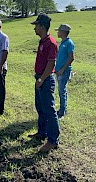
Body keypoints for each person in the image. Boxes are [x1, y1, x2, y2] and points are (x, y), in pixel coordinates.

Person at [29, 13, 60, 152]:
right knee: (40, 107)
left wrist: (41, 79)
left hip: (46, 79)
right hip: (40, 78)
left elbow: (51, 63)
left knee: (49, 110)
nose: (34, 28)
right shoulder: (42, 41)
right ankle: (42, 133)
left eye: (36, 25)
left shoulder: (51, 43)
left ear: (42, 26)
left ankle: (53, 140)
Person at [55, 24, 74, 118]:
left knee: (62, 91)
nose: (57, 32)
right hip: (59, 70)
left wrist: (62, 69)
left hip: (64, 71)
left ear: (63, 32)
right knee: (61, 91)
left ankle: (62, 111)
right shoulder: (63, 42)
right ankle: (62, 108)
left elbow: (71, 58)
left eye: (59, 31)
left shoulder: (69, 43)